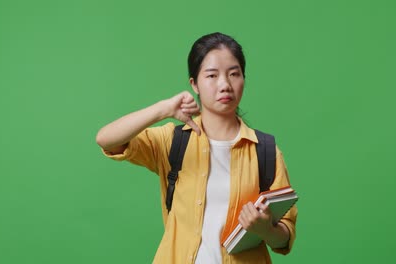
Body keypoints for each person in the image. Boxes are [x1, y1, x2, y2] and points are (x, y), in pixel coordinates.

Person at [96, 32, 297, 264]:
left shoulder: (266, 151)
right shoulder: (173, 141)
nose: (225, 84)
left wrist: (266, 231)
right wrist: (163, 109)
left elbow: (285, 237)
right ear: (194, 84)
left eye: (234, 74)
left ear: (243, 78)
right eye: (212, 75)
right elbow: (106, 139)